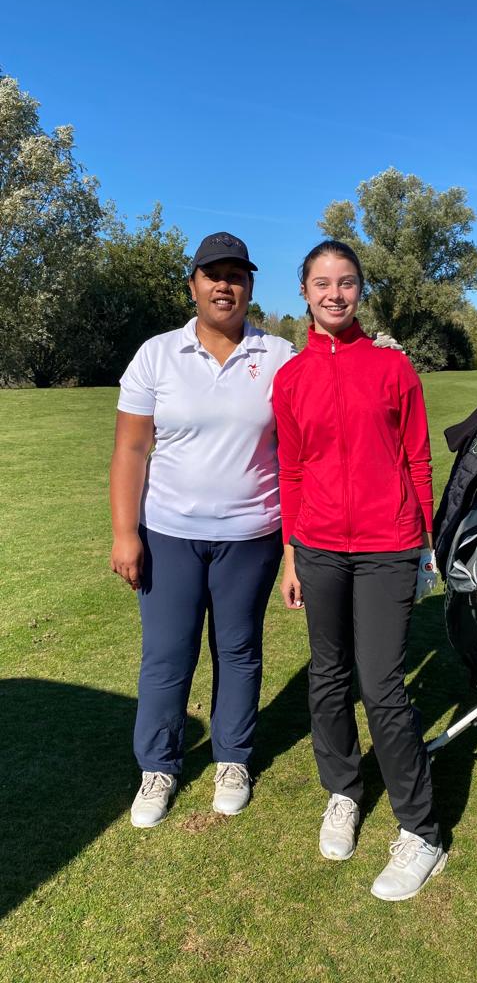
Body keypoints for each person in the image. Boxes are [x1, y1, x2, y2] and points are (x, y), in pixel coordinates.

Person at [272, 240, 446, 901]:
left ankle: (421, 830)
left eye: (346, 282)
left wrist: (426, 543)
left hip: (387, 545)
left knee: (381, 685)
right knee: (327, 675)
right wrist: (291, 552)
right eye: (322, 283)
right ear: (305, 292)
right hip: (317, 545)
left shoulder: (393, 367)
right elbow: (291, 469)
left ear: (360, 290)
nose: (335, 294)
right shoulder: (292, 377)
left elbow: (418, 460)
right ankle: (343, 790)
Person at [110, 232, 295, 827]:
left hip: (252, 534)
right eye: (213, 275)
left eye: (236, 276)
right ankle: (157, 768)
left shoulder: (280, 356)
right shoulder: (157, 354)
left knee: (238, 650)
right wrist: (125, 532)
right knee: (167, 654)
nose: (224, 286)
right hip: (168, 532)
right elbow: (131, 450)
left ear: (250, 287)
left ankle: (232, 759)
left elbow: (299, 452)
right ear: (192, 285)